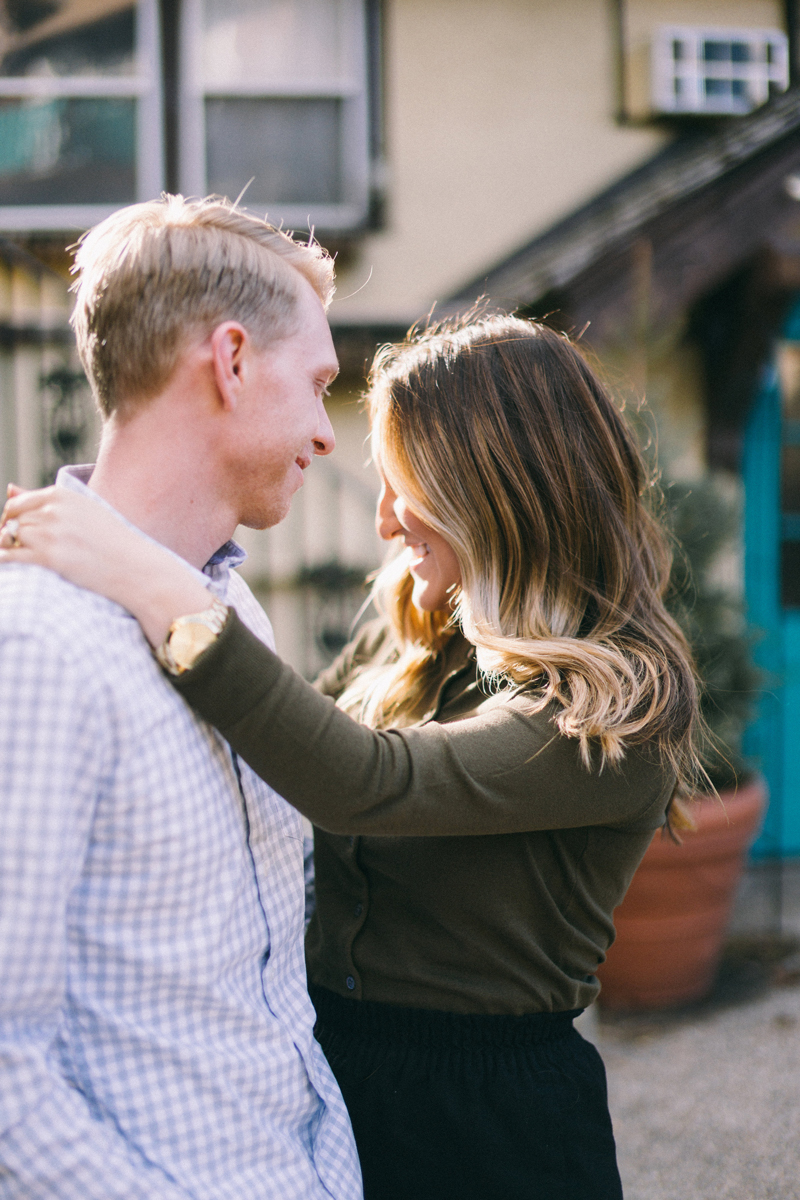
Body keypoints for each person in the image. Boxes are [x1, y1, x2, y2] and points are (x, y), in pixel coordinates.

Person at [1, 314, 704, 1200]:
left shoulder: (614, 713)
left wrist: (145, 573)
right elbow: (280, 745)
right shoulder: (418, 633)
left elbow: (363, 781)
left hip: (490, 1130)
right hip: (335, 1086)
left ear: (494, 491)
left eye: (406, 486)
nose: (382, 521)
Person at [0, 195, 363, 1199]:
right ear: (232, 359)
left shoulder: (231, 608)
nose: (328, 436)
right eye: (319, 384)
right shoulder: (35, 642)